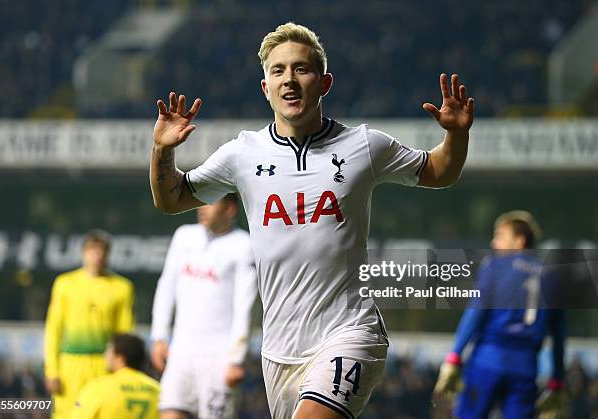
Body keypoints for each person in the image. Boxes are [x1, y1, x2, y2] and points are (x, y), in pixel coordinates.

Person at [149, 22, 474, 419]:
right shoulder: (242, 154)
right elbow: (171, 198)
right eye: (278, 71)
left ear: (324, 82)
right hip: (280, 351)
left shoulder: (364, 145)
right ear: (265, 87)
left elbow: (440, 171)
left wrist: (456, 136)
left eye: (301, 69)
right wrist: (161, 152)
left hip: (350, 332)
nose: (290, 79)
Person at [433, 211, 567, 418]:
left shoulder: (494, 266)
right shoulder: (553, 277)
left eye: (500, 237)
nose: (494, 243)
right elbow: (559, 335)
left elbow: (476, 313)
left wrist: (454, 356)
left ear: (520, 241)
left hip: (487, 361)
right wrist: (557, 380)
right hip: (526, 368)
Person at [150, 193, 257, 419]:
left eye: (209, 202)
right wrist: (159, 335)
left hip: (219, 358)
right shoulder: (183, 237)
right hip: (180, 353)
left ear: (230, 209)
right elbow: (166, 286)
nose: (201, 208)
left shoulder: (244, 245)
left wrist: (236, 359)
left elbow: (244, 306)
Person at [44, 230, 135, 419]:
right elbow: (54, 329)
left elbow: (125, 333)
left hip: (105, 365)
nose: (98, 256)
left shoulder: (122, 287)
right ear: (84, 253)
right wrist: (52, 370)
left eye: (102, 251)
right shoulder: (65, 284)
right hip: (70, 364)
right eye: (93, 251)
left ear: (108, 254)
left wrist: (123, 369)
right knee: (67, 414)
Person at [71, 333, 160, 419]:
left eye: (109, 351)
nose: (105, 355)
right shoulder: (157, 390)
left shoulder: (98, 387)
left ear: (120, 358)